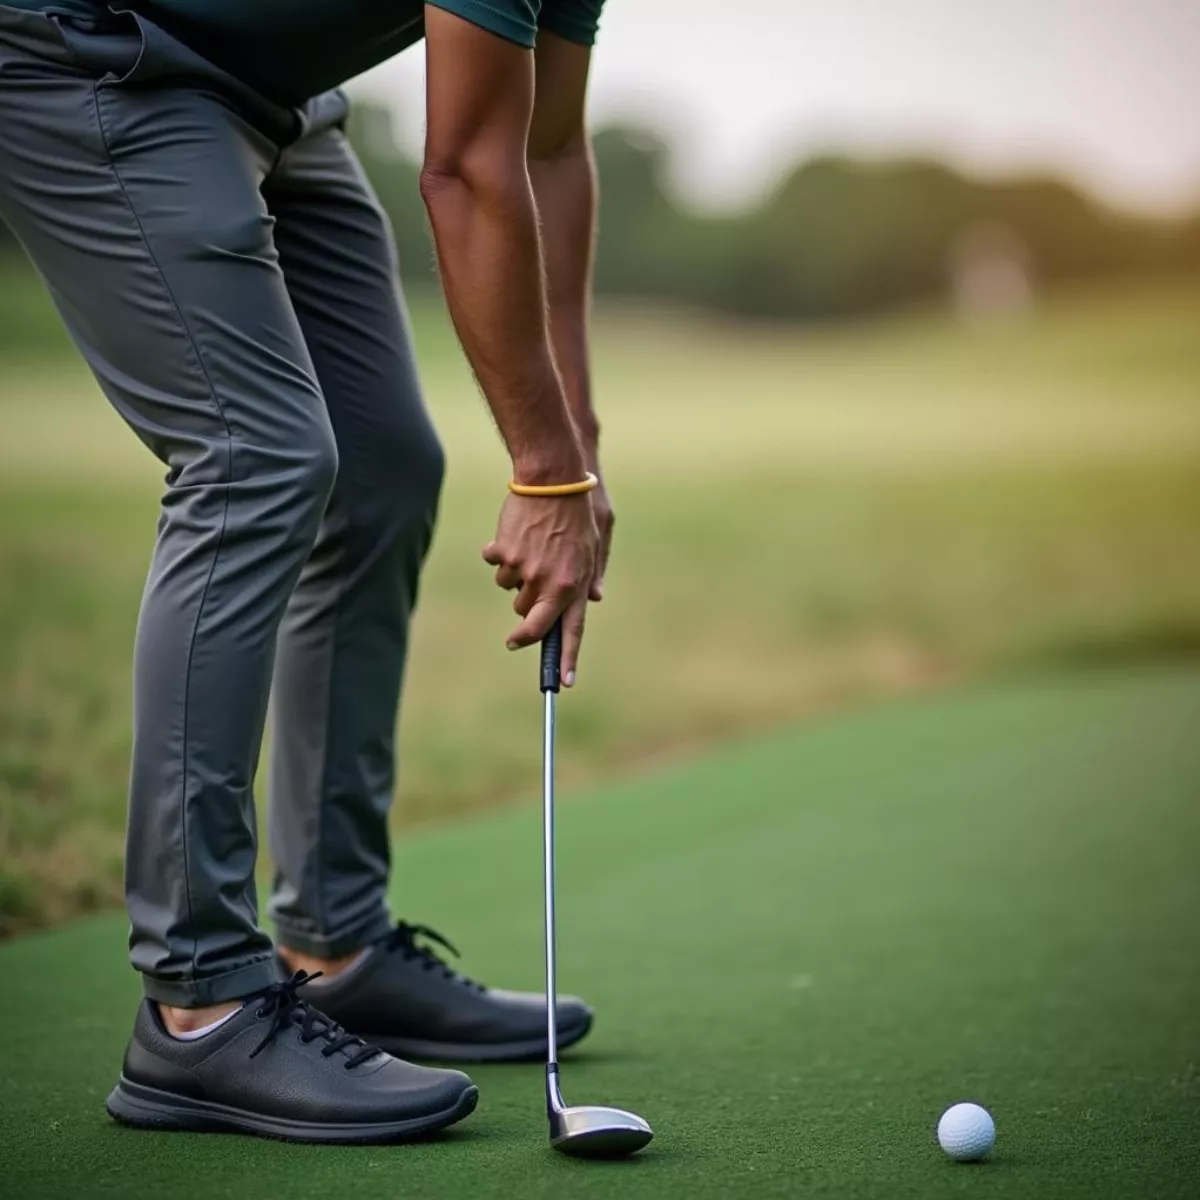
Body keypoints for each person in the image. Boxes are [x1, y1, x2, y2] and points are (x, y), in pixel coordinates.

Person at [0, 0, 615, 1143]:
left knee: (381, 466)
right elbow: (469, 169)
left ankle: (331, 940)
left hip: (281, 100)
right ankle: (199, 1004)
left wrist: (570, 455)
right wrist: (543, 475)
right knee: (256, 458)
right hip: (96, 50)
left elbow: (545, 150)